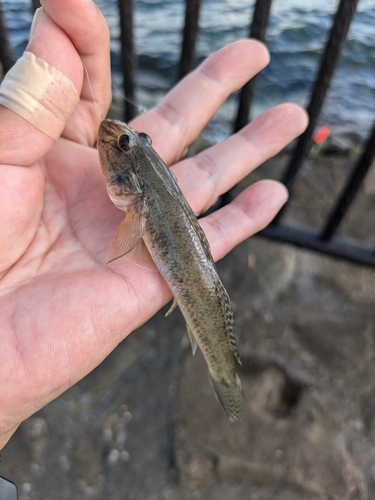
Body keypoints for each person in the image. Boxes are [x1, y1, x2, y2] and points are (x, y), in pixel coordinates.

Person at [0, 0, 307, 450]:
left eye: (129, 144)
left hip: (185, 272)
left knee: (209, 329)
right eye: (129, 142)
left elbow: (131, 232)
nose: (117, 141)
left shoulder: (138, 198)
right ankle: (225, 376)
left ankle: (225, 377)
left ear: (136, 181)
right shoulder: (137, 197)